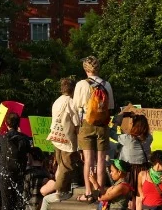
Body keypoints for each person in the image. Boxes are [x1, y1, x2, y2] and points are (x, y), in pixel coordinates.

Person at [73, 58, 115, 195]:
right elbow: (110, 107)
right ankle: (101, 190)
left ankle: (89, 191)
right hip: (103, 124)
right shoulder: (106, 84)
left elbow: (76, 106)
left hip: (87, 123)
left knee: (88, 160)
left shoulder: (81, 84)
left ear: (85, 69)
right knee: (101, 159)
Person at [0, 109, 31, 210]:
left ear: (6, 124)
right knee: (18, 199)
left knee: (6, 200)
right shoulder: (24, 139)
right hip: (19, 173)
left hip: (5, 173)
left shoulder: (2, 138)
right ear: (18, 124)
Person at [49, 76, 83, 197]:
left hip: (55, 136)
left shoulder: (57, 101)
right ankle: (60, 190)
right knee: (67, 165)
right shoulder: (71, 102)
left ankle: (62, 190)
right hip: (67, 138)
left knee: (60, 164)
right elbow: (76, 122)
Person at [116, 111, 151, 188]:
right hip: (143, 169)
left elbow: (111, 132)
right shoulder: (149, 138)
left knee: (130, 194)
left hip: (129, 170)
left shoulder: (128, 138)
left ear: (134, 125)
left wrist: (120, 118)